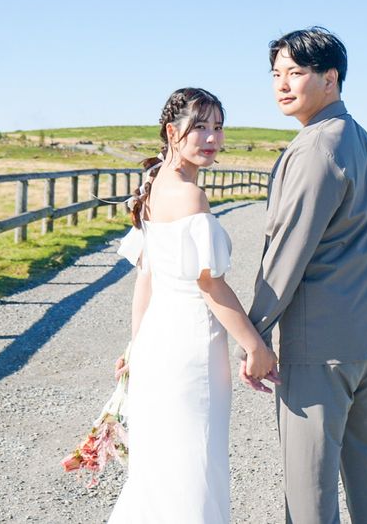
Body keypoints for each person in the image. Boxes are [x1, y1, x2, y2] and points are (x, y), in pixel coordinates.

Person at [238, 27, 367, 523]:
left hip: (320, 347)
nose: (282, 84)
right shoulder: (360, 139)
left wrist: (254, 335)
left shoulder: (316, 147)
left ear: (330, 78)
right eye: (276, 74)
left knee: (309, 489)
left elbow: (288, 251)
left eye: (295, 72)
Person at [109, 87, 277, 524]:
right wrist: (256, 347)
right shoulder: (189, 196)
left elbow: (146, 277)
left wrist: (136, 346)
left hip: (156, 345)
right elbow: (210, 286)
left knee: (162, 470)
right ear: (172, 132)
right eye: (200, 127)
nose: (212, 138)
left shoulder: (152, 184)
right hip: (189, 349)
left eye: (218, 127)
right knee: (194, 465)